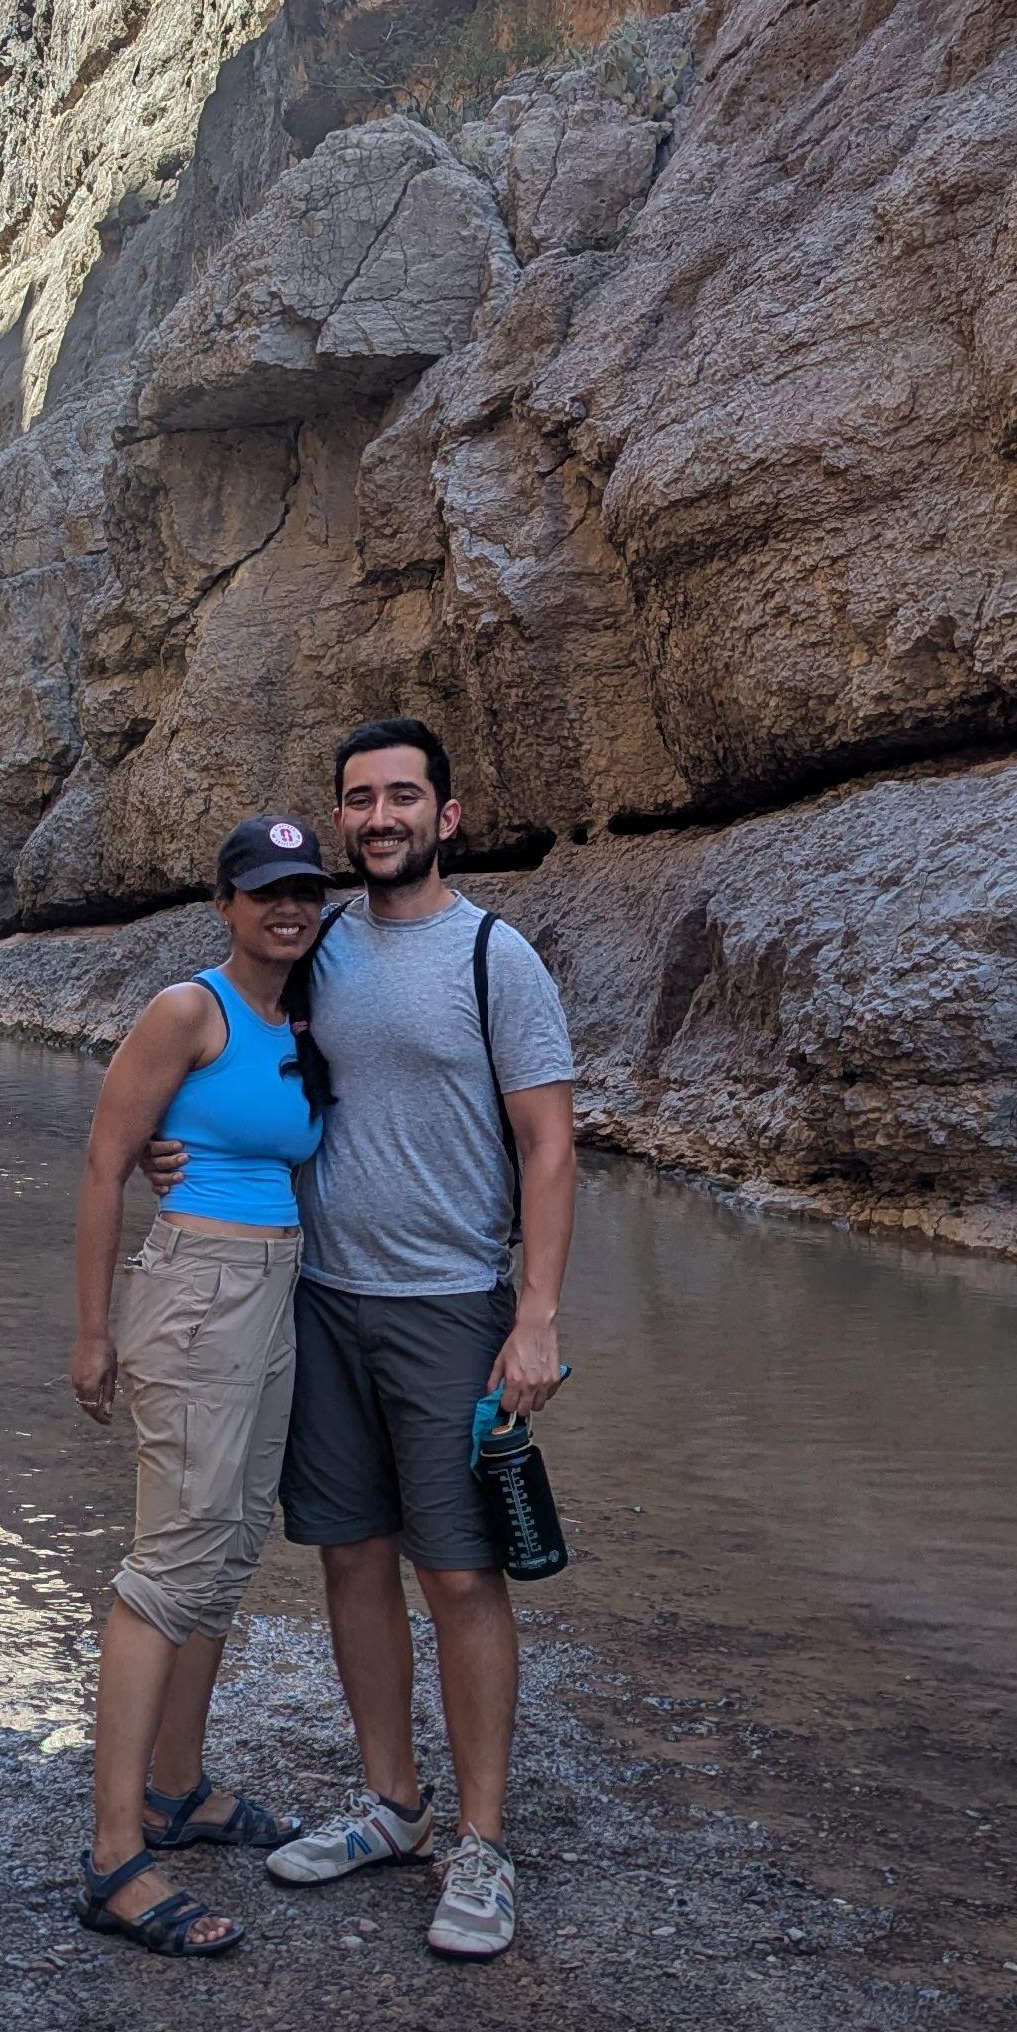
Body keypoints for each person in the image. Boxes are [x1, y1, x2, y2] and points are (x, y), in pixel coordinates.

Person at [253, 716, 577, 1961]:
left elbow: (549, 1144)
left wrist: (535, 1315)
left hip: (452, 1306)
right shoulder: (318, 946)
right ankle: (394, 1804)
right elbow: (241, 1068)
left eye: (402, 798)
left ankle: (483, 1846)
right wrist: (175, 1148)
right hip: (324, 1298)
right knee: (350, 1558)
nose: (378, 818)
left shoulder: (498, 958)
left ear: (447, 817)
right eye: (358, 800)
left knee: (459, 1575)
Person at [61, 814, 340, 1955]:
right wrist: (91, 1332)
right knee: (169, 1558)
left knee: (227, 1543)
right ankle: (114, 1858)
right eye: (265, 890)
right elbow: (104, 1162)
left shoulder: (303, 1018)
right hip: (194, 1285)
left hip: (273, 1289)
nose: (286, 907)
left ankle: (179, 1789)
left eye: (303, 890)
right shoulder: (191, 1009)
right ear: (224, 904)